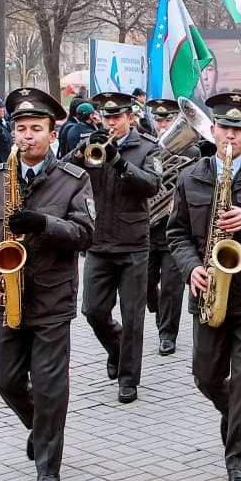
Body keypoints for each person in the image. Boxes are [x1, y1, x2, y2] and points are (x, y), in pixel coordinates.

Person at [0, 88, 94, 481]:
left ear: (52, 133)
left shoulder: (74, 179)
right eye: (20, 129)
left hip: (53, 297)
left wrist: (43, 223)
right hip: (8, 296)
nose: (27, 137)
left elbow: (85, 235)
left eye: (36, 129)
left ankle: (47, 468)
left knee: (49, 384)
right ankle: (40, 429)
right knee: (4, 380)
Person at [167, 92, 241, 481]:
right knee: (206, 376)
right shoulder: (190, 176)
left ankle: (239, 462)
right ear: (212, 130)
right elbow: (175, 233)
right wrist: (191, 266)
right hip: (208, 290)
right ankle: (236, 414)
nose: (230, 136)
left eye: (239, 129)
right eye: (224, 128)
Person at [67, 92, 161, 404]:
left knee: (133, 316)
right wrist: (80, 153)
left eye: (117, 117)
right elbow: (63, 175)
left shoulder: (147, 147)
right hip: (98, 241)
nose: (111, 123)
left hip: (134, 244)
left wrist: (120, 163)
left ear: (130, 118)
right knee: (92, 310)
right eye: (106, 118)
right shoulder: (89, 143)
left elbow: (151, 184)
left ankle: (128, 379)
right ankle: (117, 348)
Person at [146, 99, 196, 356]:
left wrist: (175, 202)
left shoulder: (192, 154)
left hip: (173, 231)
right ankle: (153, 304)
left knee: (172, 287)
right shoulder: (145, 149)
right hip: (145, 230)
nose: (163, 124)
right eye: (159, 120)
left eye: (168, 120)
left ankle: (167, 334)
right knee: (146, 282)